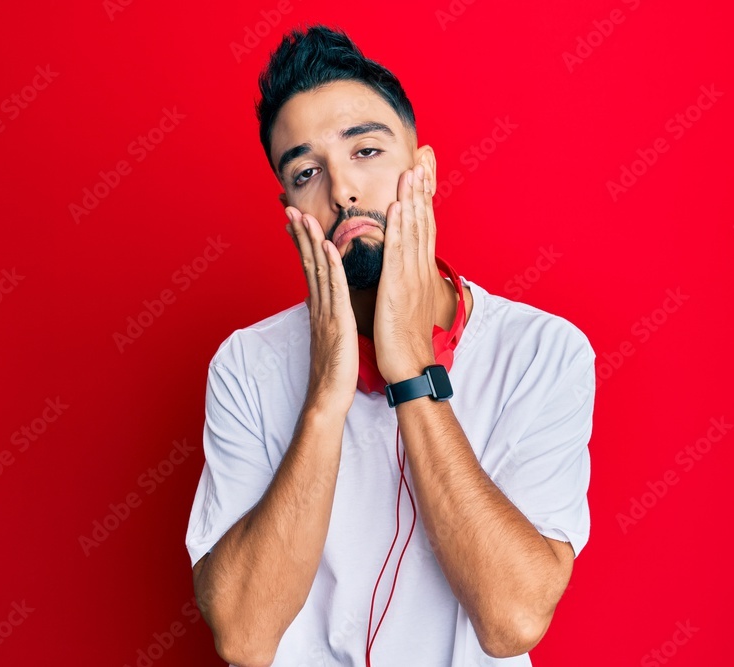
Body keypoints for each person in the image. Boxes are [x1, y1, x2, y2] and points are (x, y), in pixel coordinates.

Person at [185, 23, 596, 667]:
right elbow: (243, 635)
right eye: (306, 172)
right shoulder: (245, 366)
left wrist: (411, 368)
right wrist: (325, 397)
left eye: (367, 152)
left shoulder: (544, 353)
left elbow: (512, 618)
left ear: (422, 169)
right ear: (289, 208)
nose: (342, 191)